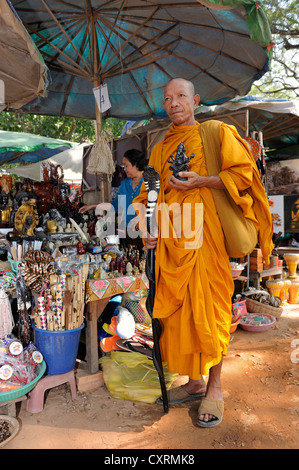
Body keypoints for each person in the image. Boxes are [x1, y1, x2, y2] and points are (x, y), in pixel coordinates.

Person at [133, 78, 273, 427]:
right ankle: (194, 382)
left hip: (205, 241)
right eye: (167, 98)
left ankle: (214, 387)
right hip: (171, 243)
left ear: (195, 99)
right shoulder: (159, 147)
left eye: (180, 96)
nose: (173, 102)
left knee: (210, 312)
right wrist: (146, 230)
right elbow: (147, 194)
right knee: (179, 317)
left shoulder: (216, 132)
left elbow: (243, 175)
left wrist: (202, 181)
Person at [79, 148, 148, 251]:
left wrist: (142, 220)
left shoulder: (149, 183)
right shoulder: (125, 184)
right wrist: (93, 206)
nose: (124, 169)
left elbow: (157, 207)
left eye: (126, 165)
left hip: (146, 235)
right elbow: (115, 205)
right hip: (126, 233)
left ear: (136, 165)